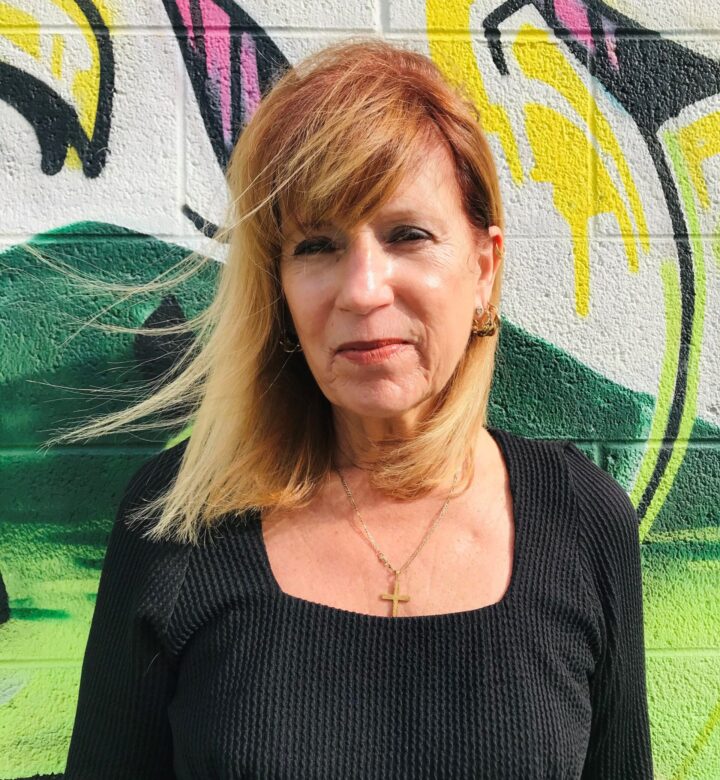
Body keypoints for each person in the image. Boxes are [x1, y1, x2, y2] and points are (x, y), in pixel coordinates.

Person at [63, 37, 654, 778]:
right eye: (316, 245)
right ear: (277, 285)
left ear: (483, 265)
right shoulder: (175, 523)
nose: (362, 289)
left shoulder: (585, 522)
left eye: (407, 235)